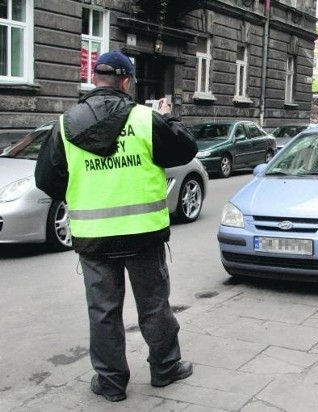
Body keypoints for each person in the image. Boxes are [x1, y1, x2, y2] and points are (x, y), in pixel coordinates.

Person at [35, 51, 198, 402]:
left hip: (93, 238)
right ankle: (165, 369)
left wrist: (84, 190)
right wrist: (169, 119)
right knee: (154, 305)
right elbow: (185, 151)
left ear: (96, 79)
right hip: (142, 234)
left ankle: (110, 384)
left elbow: (46, 179)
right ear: (126, 81)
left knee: (103, 311)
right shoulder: (144, 119)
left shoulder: (65, 125)